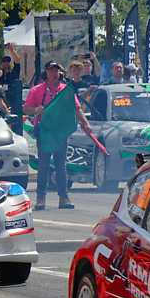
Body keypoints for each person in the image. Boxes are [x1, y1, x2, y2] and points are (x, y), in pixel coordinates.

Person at [25, 62, 97, 210]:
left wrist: (85, 123)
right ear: (46, 72)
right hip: (45, 132)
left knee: (61, 166)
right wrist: (36, 110)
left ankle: (63, 198)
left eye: (56, 70)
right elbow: (26, 109)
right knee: (43, 166)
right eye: (51, 70)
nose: (54, 73)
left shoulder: (65, 90)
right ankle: (40, 199)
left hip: (60, 132)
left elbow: (76, 108)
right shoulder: (36, 90)